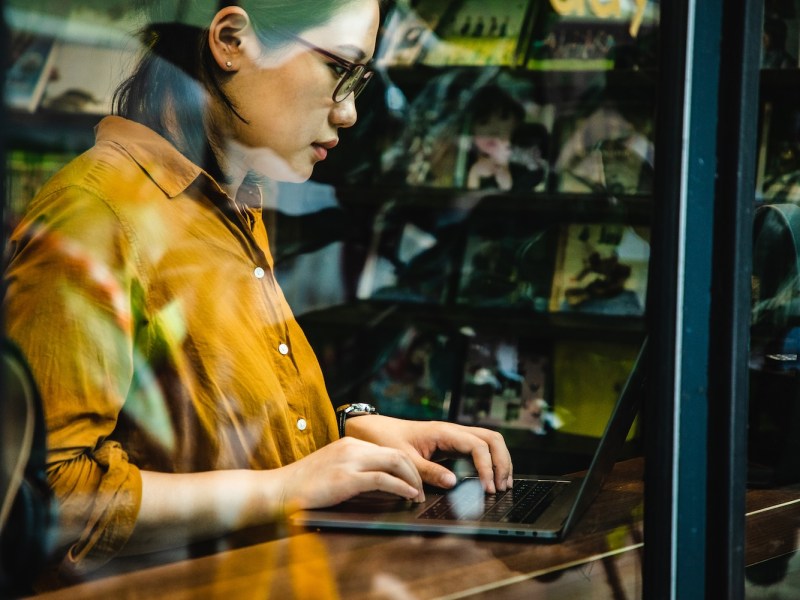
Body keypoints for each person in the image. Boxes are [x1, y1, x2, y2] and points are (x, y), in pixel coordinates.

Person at [2, 0, 513, 583]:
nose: (348, 112)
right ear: (231, 40)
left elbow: (192, 432)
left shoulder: (228, 201)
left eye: (360, 80)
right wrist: (286, 486)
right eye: (338, 68)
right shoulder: (97, 215)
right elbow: (47, 498)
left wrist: (349, 431)